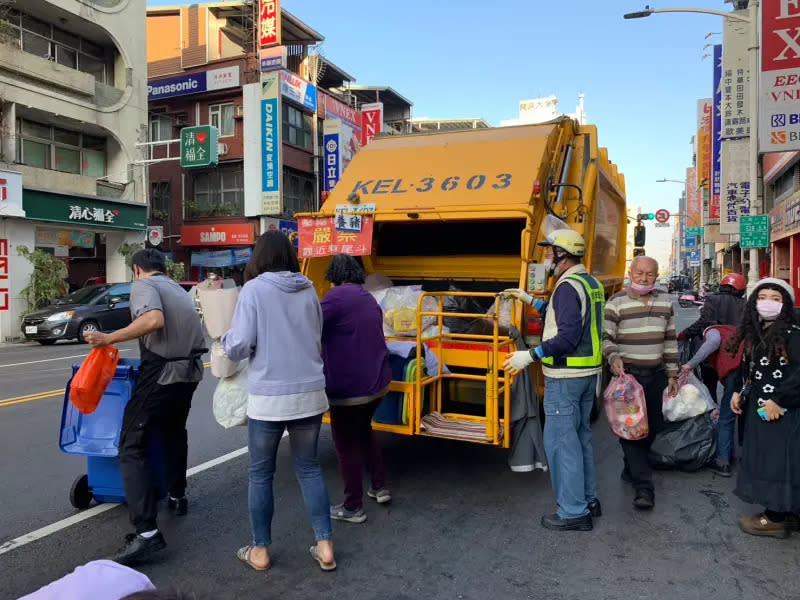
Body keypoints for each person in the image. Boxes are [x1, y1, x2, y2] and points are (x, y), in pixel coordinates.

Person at [222, 231, 335, 572]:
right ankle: (325, 545)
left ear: (260, 257)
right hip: (310, 393)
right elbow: (316, 336)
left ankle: (260, 551)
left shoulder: (254, 290)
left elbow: (239, 344)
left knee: (260, 475)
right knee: (310, 468)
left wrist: (224, 341)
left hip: (270, 397)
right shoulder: (309, 290)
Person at [85, 249, 206, 563]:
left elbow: (153, 319)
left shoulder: (143, 286)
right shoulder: (176, 289)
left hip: (161, 371)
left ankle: (147, 533)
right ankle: (177, 496)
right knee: (173, 432)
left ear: (137, 269)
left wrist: (108, 338)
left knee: (131, 444)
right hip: (190, 371)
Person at [504, 229, 604, 532]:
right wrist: (528, 300)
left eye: (550, 252)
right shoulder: (589, 283)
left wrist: (531, 355)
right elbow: (560, 316)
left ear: (563, 254)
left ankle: (573, 513)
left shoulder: (566, 287)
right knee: (581, 438)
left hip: (565, 376)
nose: (547, 258)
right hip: (587, 376)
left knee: (562, 444)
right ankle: (589, 500)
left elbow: (568, 335)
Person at [321, 254, 393, 524]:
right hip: (377, 383)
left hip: (349, 388)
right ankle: (379, 485)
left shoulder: (335, 298)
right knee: (364, 431)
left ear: (335, 277)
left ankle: (353, 506)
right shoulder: (368, 298)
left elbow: (310, 327)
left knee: (345, 443)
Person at [603, 256, 679, 510]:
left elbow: (670, 340)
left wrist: (672, 373)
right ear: (630, 273)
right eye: (639, 273)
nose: (644, 278)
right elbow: (607, 338)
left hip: (656, 376)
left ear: (656, 277)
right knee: (632, 430)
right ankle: (644, 488)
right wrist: (613, 357)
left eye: (649, 274)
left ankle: (630, 467)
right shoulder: (616, 303)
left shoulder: (665, 302)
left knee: (653, 427)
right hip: (628, 379)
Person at [729, 278, 800, 538]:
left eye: (776, 298)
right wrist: (739, 392)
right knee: (771, 460)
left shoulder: (794, 333)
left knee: (777, 463)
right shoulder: (757, 332)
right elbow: (752, 369)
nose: (767, 303)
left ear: (787, 304)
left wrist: (780, 400)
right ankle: (789, 513)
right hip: (759, 408)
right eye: (762, 297)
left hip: (783, 412)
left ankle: (775, 518)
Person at [681, 318, 744, 477]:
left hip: (735, 374)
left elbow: (713, 343)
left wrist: (690, 364)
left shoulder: (712, 330)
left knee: (726, 418)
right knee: (745, 415)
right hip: (748, 373)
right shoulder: (732, 329)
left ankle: (723, 461)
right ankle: (742, 456)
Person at [679, 273, 746, 401]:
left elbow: (703, 322)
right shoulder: (744, 304)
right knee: (731, 390)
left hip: (710, 355)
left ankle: (712, 412)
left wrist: (685, 333)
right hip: (733, 354)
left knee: (709, 386)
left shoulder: (712, 299)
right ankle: (726, 418)